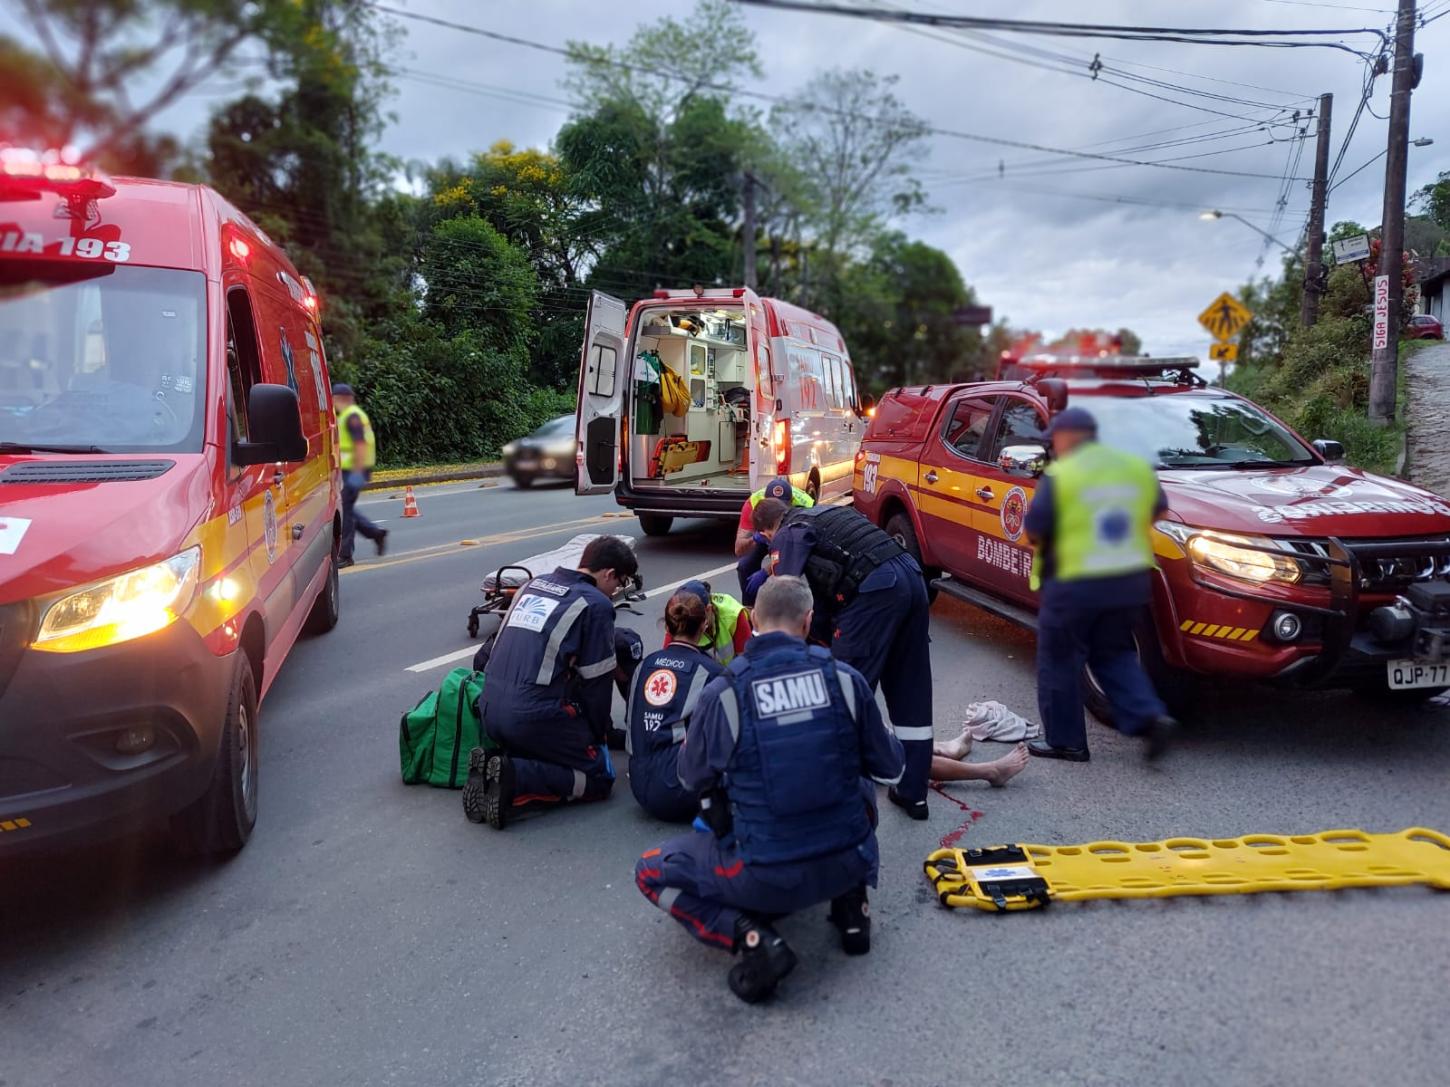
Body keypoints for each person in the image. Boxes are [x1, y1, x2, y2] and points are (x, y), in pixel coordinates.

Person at [635, 576, 904, 1004]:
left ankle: (752, 938)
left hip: (764, 875)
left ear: (754, 618)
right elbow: (892, 767)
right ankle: (854, 909)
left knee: (649, 870)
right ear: (808, 620)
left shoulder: (724, 693)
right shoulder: (847, 681)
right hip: (849, 859)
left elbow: (690, 778)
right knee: (854, 775)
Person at [752, 497, 934, 821]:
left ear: (767, 531)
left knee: (842, 692)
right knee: (911, 689)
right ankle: (913, 793)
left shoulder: (789, 531)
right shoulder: (828, 513)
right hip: (910, 576)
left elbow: (787, 592)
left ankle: (840, 796)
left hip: (873, 591)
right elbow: (824, 596)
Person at [1023, 407, 1177, 763]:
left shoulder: (1062, 475)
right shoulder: (1134, 467)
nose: (1053, 448)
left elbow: (1035, 530)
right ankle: (1149, 718)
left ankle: (1066, 742)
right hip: (1129, 581)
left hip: (1076, 584)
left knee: (1059, 659)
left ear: (1070, 438)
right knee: (1114, 653)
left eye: (1055, 441)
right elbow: (1158, 510)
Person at [463, 536, 640, 828]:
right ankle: (515, 777)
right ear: (609, 574)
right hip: (531, 717)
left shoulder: (532, 585)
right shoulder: (595, 605)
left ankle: (497, 762)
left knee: (545, 725)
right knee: (598, 778)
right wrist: (597, 739)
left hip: (490, 709)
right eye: (618, 582)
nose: (615, 591)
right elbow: (597, 685)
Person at [626, 585, 725, 822]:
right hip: (681, 791)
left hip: (639, 785)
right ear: (705, 624)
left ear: (667, 625)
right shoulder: (712, 672)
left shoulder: (645, 665)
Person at [734, 477, 813, 605]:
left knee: (786, 572)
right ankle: (749, 610)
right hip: (765, 535)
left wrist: (767, 571)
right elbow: (739, 549)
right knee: (745, 565)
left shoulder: (805, 506)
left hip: (792, 538)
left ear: (791, 502)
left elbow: (796, 554)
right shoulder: (753, 504)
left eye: (780, 508)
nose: (775, 514)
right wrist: (754, 539)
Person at [332, 383, 387, 568]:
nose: (332, 403)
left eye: (334, 399)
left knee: (345, 511)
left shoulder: (352, 416)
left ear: (342, 398)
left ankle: (346, 555)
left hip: (355, 471)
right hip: (354, 470)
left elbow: (360, 445)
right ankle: (375, 533)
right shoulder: (352, 415)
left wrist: (356, 473)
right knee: (347, 508)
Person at [665, 580, 751, 665]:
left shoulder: (733, 615)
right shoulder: (678, 620)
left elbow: (747, 661)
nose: (686, 627)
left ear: (709, 610)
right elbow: (668, 664)